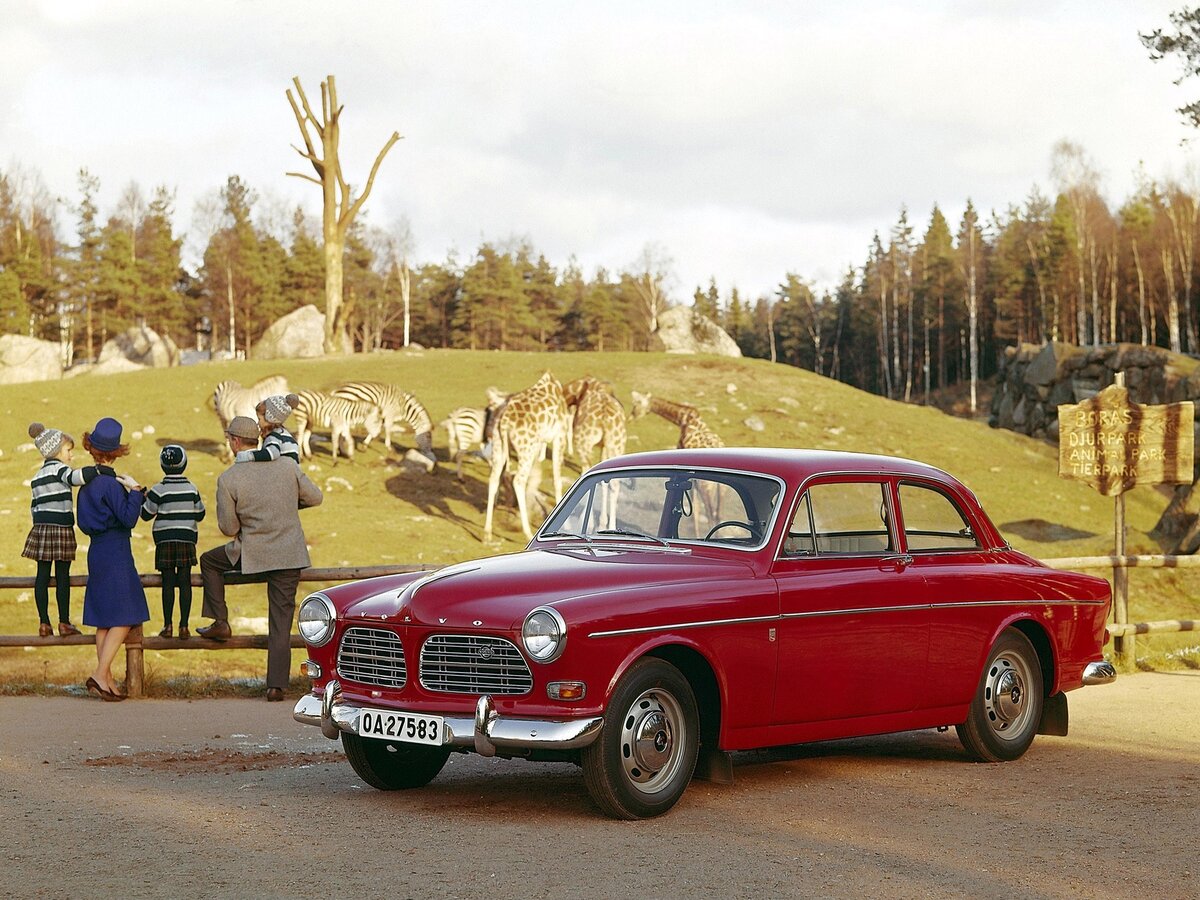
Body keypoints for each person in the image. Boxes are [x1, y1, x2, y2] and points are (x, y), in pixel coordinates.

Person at [198, 415, 323, 701]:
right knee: (281, 622)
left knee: (209, 562)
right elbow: (315, 497)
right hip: (289, 554)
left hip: (252, 555)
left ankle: (220, 620)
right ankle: (276, 686)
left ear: (235, 441)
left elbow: (228, 528)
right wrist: (288, 506)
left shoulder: (229, 478)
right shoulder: (287, 466)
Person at [77, 417, 150, 702]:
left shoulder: (85, 487)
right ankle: (99, 673)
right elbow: (129, 518)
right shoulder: (114, 486)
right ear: (116, 451)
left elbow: (83, 522)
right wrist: (135, 493)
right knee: (127, 614)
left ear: (92, 449)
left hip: (96, 551)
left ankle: (106, 681)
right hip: (117, 551)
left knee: (104, 618)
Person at [21, 423, 106, 638]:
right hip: (60, 528)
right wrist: (98, 470)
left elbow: (34, 507)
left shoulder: (37, 476)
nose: (71, 456)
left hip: (41, 528)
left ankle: (43, 622)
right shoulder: (61, 470)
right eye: (69, 451)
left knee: (42, 576)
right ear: (57, 451)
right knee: (62, 576)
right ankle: (64, 622)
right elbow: (75, 479)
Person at [140, 445, 206, 639]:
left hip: (165, 541)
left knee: (167, 583)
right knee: (185, 582)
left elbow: (145, 514)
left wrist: (144, 498)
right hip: (186, 540)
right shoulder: (192, 488)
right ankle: (184, 626)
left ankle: (167, 625)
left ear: (162, 465)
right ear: (184, 464)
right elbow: (200, 514)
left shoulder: (158, 490)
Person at [237, 393, 302, 463]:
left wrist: (248, 456)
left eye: (259, 419)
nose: (258, 423)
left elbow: (272, 453)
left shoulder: (274, 436)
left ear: (270, 418)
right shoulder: (284, 434)